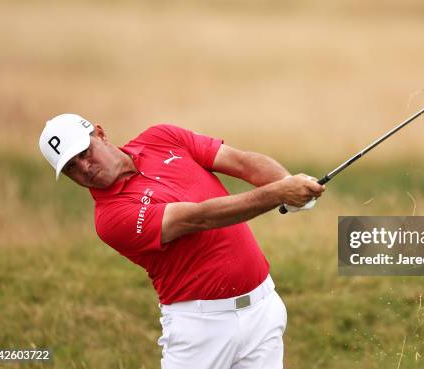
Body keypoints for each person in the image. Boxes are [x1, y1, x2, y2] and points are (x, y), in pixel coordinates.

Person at [38, 113, 325, 369]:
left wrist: (291, 184)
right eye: (71, 168)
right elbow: (198, 218)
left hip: (263, 310)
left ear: (100, 133)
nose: (84, 168)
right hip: (200, 329)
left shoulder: (161, 138)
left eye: (84, 153)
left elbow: (240, 162)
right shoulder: (111, 218)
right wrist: (280, 193)